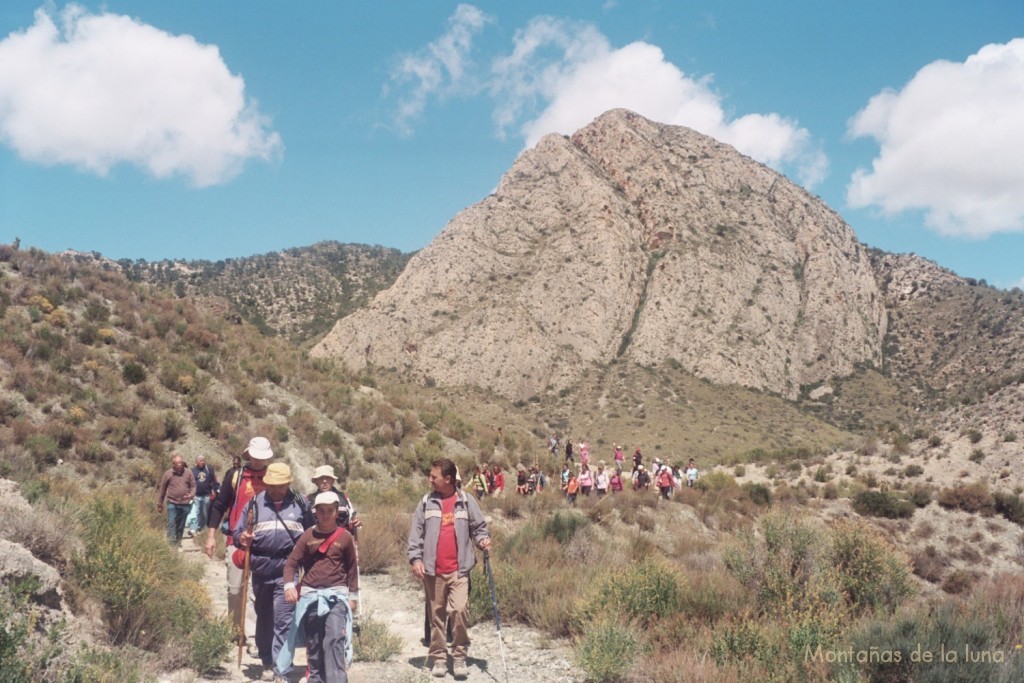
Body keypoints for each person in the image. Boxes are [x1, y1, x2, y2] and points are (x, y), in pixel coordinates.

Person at [408, 458, 491, 680]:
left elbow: (479, 527)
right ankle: (439, 659)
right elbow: (415, 534)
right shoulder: (426, 502)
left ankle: (460, 656)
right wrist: (415, 559)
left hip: (459, 570)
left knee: (459, 610)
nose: (430, 480)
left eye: (433, 476)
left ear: (448, 479)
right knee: (436, 617)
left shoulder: (466, 501)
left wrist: (483, 540)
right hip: (433, 571)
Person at [234, 462, 313, 681]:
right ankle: (266, 655)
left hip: (287, 569)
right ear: (267, 483)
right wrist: (241, 538)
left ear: (288, 483)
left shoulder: (300, 504)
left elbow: (310, 534)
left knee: (284, 620)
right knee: (264, 615)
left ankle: (282, 669)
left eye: (281, 485)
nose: (277, 490)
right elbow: (237, 533)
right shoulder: (254, 505)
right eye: (273, 485)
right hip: (260, 568)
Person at [280, 491, 359, 683]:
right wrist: (289, 586)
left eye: (329, 511)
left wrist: (353, 596)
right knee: (314, 642)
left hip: (337, 598)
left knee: (333, 639)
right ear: (315, 512)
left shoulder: (346, 537)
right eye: (321, 511)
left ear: (336, 512)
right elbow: (291, 563)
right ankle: (315, 679)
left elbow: (352, 568)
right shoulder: (308, 536)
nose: (325, 515)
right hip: (311, 597)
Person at [205, 436, 275, 646]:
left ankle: (253, 636)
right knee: (235, 588)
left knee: (256, 589)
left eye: (261, 458)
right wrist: (210, 536)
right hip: (236, 540)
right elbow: (219, 505)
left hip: (263, 543)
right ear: (249, 455)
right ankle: (236, 630)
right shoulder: (236, 475)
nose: (258, 461)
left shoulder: (272, 477)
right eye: (255, 457)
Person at [306, 465, 361, 540]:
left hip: (340, 542)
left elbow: (353, 521)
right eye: (321, 478)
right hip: (315, 542)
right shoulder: (308, 501)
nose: (324, 481)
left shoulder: (344, 498)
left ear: (333, 480)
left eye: (328, 478)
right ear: (316, 481)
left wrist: (356, 523)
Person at [158, 454, 195, 546]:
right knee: (171, 522)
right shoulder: (168, 474)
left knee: (181, 524)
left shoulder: (188, 472)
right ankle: (170, 544)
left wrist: (191, 495)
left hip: (185, 503)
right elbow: (162, 489)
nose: (179, 465)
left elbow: (193, 486)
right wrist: (160, 503)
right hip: (172, 502)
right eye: (177, 463)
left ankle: (177, 541)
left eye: (181, 463)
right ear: (173, 464)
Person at [185, 454, 218, 538]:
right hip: (196, 495)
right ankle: (195, 529)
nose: (202, 462)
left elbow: (214, 481)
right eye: (201, 460)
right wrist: (190, 493)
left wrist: (214, 490)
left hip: (206, 495)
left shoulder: (208, 469)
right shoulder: (193, 471)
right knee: (196, 513)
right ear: (196, 461)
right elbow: (190, 483)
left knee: (204, 513)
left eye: (203, 460)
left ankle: (202, 528)